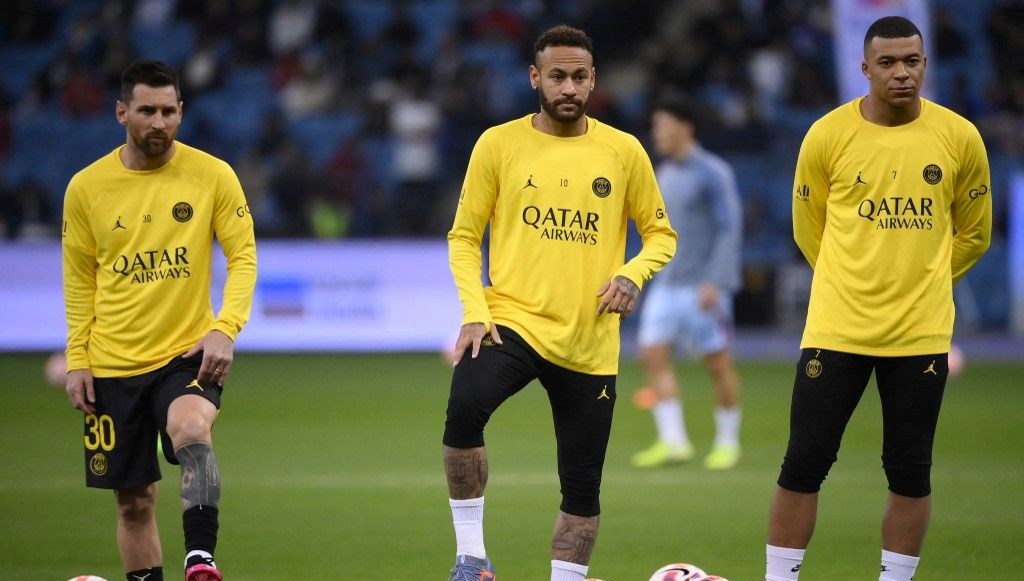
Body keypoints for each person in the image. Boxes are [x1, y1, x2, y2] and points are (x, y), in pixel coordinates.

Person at [443, 24, 677, 581]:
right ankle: (471, 558)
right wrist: (475, 311)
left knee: (582, 485)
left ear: (593, 80)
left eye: (578, 76)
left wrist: (632, 274)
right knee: (464, 408)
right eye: (557, 76)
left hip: (589, 340)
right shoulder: (498, 144)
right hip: (512, 321)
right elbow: (464, 237)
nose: (568, 87)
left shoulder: (623, 151)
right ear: (535, 78)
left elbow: (661, 236)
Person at [764, 17, 991, 581]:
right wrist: (850, 279)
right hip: (837, 328)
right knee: (804, 463)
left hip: (920, 333)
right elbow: (808, 229)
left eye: (911, 61)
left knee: (910, 470)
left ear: (925, 64)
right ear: (865, 68)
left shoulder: (960, 136)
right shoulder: (827, 135)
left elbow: (975, 233)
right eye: (887, 63)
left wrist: (925, 280)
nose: (901, 73)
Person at [62, 60, 257, 581]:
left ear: (181, 112)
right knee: (133, 503)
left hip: (185, 353)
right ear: (121, 112)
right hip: (111, 363)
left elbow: (243, 257)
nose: (159, 122)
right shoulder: (86, 188)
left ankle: (200, 558)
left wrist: (225, 329)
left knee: (191, 426)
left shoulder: (212, 175)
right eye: (147, 110)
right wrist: (78, 359)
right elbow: (79, 280)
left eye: (169, 111)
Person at [631, 97, 744, 471]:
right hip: (667, 284)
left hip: (703, 286)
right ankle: (673, 441)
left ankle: (727, 443)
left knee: (717, 363)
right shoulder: (665, 173)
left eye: (662, 125)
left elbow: (729, 229)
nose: (657, 133)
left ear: (685, 127)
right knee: (652, 355)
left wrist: (716, 280)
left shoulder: (713, 172)